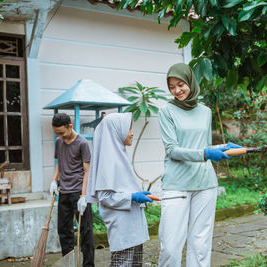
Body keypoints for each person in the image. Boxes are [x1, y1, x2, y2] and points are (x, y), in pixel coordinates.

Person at [157, 63, 241, 267]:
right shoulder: (166, 111)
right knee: (170, 246)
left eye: (180, 84)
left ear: (190, 82)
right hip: (177, 184)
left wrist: (222, 147)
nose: (177, 90)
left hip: (205, 183)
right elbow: (172, 150)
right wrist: (205, 153)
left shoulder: (205, 111)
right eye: (172, 87)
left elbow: (203, 146)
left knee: (200, 244)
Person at [86, 112, 153, 267]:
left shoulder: (119, 155)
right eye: (128, 129)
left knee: (135, 264)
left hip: (132, 227)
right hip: (123, 229)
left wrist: (135, 196)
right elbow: (105, 197)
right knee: (122, 263)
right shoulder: (109, 161)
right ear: (116, 131)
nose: (132, 133)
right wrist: (132, 197)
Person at [49, 113, 95, 267]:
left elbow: (87, 170)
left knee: (86, 232)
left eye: (61, 132)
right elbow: (59, 162)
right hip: (64, 192)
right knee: (64, 231)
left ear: (70, 126)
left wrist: (84, 195)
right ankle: (68, 263)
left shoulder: (82, 143)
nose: (59, 136)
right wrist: (54, 180)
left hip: (79, 192)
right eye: (56, 133)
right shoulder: (59, 142)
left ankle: (88, 264)